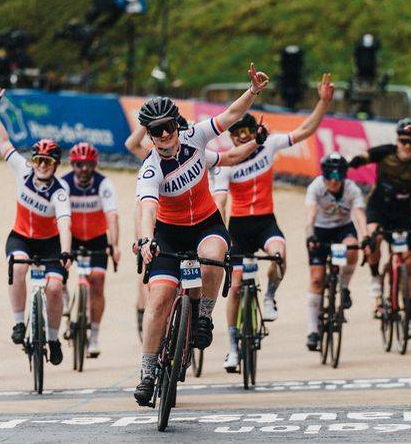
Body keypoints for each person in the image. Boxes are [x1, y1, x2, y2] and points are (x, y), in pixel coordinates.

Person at [134, 64, 270, 406]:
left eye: (167, 129)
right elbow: (146, 209)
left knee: (212, 258)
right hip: (168, 234)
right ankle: (147, 372)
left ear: (176, 126)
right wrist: (145, 239)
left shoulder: (195, 137)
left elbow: (231, 114)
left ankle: (203, 318)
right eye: (155, 132)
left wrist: (252, 90)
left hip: (206, 224)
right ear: (148, 135)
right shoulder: (150, 168)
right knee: (158, 300)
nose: (164, 136)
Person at [212, 74, 334, 372]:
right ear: (232, 137)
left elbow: (305, 130)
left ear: (255, 132)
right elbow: (220, 202)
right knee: (237, 285)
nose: (241, 136)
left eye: (246, 131)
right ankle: (231, 348)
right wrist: (221, 234)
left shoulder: (268, 146)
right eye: (237, 133)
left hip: (265, 222)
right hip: (239, 227)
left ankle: (269, 295)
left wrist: (323, 102)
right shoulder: (226, 162)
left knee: (280, 255)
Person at [0, 89, 72, 366]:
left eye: (48, 162)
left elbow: (65, 222)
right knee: (19, 266)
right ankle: (18, 323)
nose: (42, 165)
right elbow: (3, 141)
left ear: (56, 165)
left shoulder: (60, 192)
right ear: (33, 161)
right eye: (39, 160)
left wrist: (66, 252)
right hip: (21, 237)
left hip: (50, 243)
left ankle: (53, 337)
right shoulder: (22, 171)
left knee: (56, 288)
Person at [348, 118, 411, 336]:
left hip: (402, 214)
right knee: (373, 240)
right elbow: (363, 157)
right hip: (378, 208)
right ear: (397, 140)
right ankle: (376, 277)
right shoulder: (385, 152)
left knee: (408, 261)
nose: (406, 146)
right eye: (402, 141)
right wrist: (352, 162)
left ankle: (409, 318)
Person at [124, 115, 188, 338]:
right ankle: (144, 309)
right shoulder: (152, 156)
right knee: (148, 266)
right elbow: (131, 145)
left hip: (179, 219)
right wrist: (148, 122)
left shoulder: (192, 156)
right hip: (149, 213)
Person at [303, 153, 368, 351]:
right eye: (329, 176)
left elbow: (358, 214)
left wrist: (365, 235)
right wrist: (310, 234)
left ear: (344, 176)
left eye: (337, 176)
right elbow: (310, 215)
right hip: (320, 231)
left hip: (343, 229)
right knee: (316, 279)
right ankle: (312, 330)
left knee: (352, 247)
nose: (333, 181)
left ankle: (344, 287)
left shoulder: (352, 189)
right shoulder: (315, 187)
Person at [62, 142, 121, 358]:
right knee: (59, 271)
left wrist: (114, 245)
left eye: (88, 164)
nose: (84, 169)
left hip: (97, 239)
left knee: (98, 282)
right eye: (79, 165)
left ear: (94, 164)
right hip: (73, 238)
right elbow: (60, 218)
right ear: (73, 165)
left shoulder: (103, 184)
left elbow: (112, 217)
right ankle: (67, 306)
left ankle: (94, 335)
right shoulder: (65, 184)